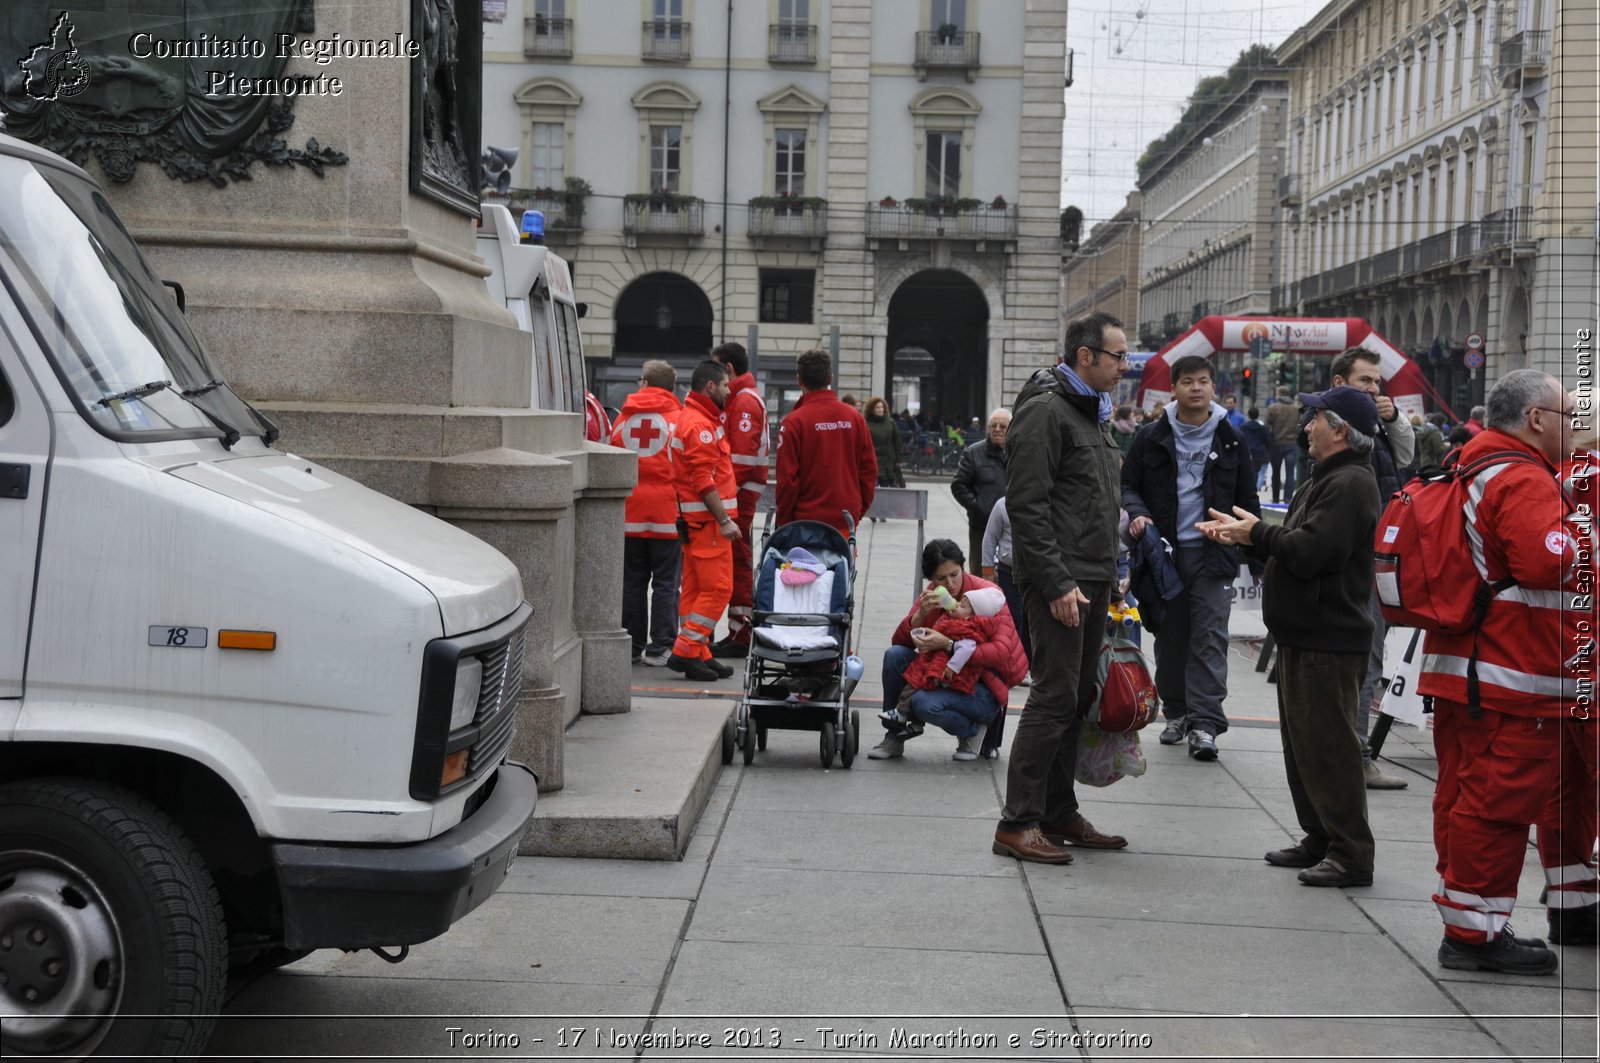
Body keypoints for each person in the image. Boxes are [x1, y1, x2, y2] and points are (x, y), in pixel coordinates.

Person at [1417, 370, 1591, 974]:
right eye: (1570, 414)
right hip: (1511, 671)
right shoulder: (1522, 476)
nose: (1579, 425)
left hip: (1470, 669)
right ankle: (1475, 936)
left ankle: (1477, 918)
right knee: (1499, 802)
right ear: (1536, 420)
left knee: (1467, 793)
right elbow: (1547, 562)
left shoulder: (1470, 463)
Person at [1197, 386, 1380, 890]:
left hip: (1329, 637)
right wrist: (1248, 537)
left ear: (1339, 428)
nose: (1305, 426)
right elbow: (1292, 549)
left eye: (1315, 417)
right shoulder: (1325, 478)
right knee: (1303, 747)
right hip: (1304, 633)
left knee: (1329, 747)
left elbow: (1312, 551)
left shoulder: (1350, 483)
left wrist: (1255, 533)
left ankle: (1349, 853)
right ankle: (1320, 837)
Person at [993, 310, 1129, 865]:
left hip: (1092, 574)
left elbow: (1093, 501)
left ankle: (1057, 810)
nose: (1125, 365)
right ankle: (1017, 821)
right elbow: (1027, 507)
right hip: (1060, 579)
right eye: (1118, 356)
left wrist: (1111, 571)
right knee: (1052, 695)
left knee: (1077, 697)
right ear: (1084, 356)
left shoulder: (1090, 412)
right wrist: (1055, 581)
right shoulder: (1047, 411)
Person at [1123, 355, 1261, 761]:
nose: (1196, 388)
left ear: (1214, 389)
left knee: (1209, 638)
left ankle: (1205, 723)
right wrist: (1138, 513)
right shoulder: (1151, 436)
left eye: (1203, 381)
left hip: (1214, 554)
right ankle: (1177, 713)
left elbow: (1247, 500)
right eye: (1187, 381)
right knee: (1170, 636)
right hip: (1164, 555)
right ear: (1174, 389)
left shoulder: (1231, 438)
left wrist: (1257, 560)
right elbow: (1128, 484)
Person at [1327, 347, 1416, 790]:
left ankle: (1349, 752)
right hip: (1355, 562)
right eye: (1366, 381)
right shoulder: (1335, 427)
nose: (1375, 389)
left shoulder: (1377, 425)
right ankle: (1355, 755)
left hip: (1376, 557)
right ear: (1341, 383)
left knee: (1366, 660)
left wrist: (1395, 417)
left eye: (1378, 381)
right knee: (1362, 660)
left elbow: (1405, 461)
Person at [869, 540, 1027, 762]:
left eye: (954, 574)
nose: (950, 584)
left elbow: (1000, 652)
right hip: (946, 674)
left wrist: (948, 645)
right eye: (941, 578)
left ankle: (972, 730)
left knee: (923, 703)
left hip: (985, 686)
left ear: (963, 567)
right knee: (894, 656)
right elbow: (899, 643)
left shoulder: (988, 596)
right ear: (932, 580)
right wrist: (919, 617)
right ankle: (893, 735)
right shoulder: (933, 594)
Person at [666, 361, 741, 682]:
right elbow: (703, 480)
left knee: (695, 591)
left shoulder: (692, 419)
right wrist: (724, 519)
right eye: (725, 385)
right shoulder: (701, 426)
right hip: (709, 524)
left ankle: (700, 652)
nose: (729, 390)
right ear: (710, 386)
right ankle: (686, 650)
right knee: (720, 589)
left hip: (694, 522)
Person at [610, 360, 683, 667]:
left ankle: (632, 645)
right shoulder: (678, 421)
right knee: (667, 583)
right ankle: (661, 647)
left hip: (629, 514)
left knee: (632, 582)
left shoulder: (623, 421)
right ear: (671, 387)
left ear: (645, 383)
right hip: (668, 515)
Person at [775, 350, 877, 536]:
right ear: (830, 377)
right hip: (845, 522)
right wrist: (857, 512)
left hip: (804, 524)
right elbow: (869, 471)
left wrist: (784, 522)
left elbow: (787, 481)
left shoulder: (793, 422)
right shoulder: (855, 418)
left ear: (799, 380)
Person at [709, 342, 768, 660]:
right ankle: (737, 628)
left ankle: (741, 631)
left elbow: (742, 457)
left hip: (739, 491)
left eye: (716, 367)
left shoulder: (744, 401)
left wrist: (720, 490)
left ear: (728, 369)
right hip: (739, 490)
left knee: (739, 557)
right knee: (737, 556)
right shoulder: (743, 398)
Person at [951, 408, 1011, 573]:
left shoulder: (1018, 452)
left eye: (1002, 426)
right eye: (993, 425)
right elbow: (958, 485)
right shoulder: (973, 453)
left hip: (1012, 527)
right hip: (981, 526)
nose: (997, 429)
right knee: (981, 573)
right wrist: (978, 507)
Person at [982, 497, 1032, 686]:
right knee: (1014, 619)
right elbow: (990, 539)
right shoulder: (1002, 505)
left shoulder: (1047, 501)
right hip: (1008, 572)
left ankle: (1029, 665)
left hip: (1038, 574)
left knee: (1031, 622)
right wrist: (987, 574)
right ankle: (1013, 667)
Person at [1264, 385, 1301, 502]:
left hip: (1276, 443)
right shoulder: (1297, 408)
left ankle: (1275, 498)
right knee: (1290, 473)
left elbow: (1266, 426)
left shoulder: (1273, 408)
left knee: (1276, 473)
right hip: (1292, 444)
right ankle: (1288, 498)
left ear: (1279, 394)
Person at [865, 396, 906, 490]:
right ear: (872, 409)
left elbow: (897, 441)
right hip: (874, 461)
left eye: (881, 407)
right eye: (877, 407)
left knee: (889, 488)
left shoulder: (890, 422)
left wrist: (899, 459)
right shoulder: (866, 424)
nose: (880, 410)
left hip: (889, 462)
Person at [1240, 406, 1274, 494]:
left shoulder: (1243, 428)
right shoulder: (1261, 428)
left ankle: (1246, 491)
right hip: (1258, 454)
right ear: (1258, 415)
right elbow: (1268, 441)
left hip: (1246, 453)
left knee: (1246, 473)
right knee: (1255, 472)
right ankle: (1253, 490)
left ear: (1248, 414)